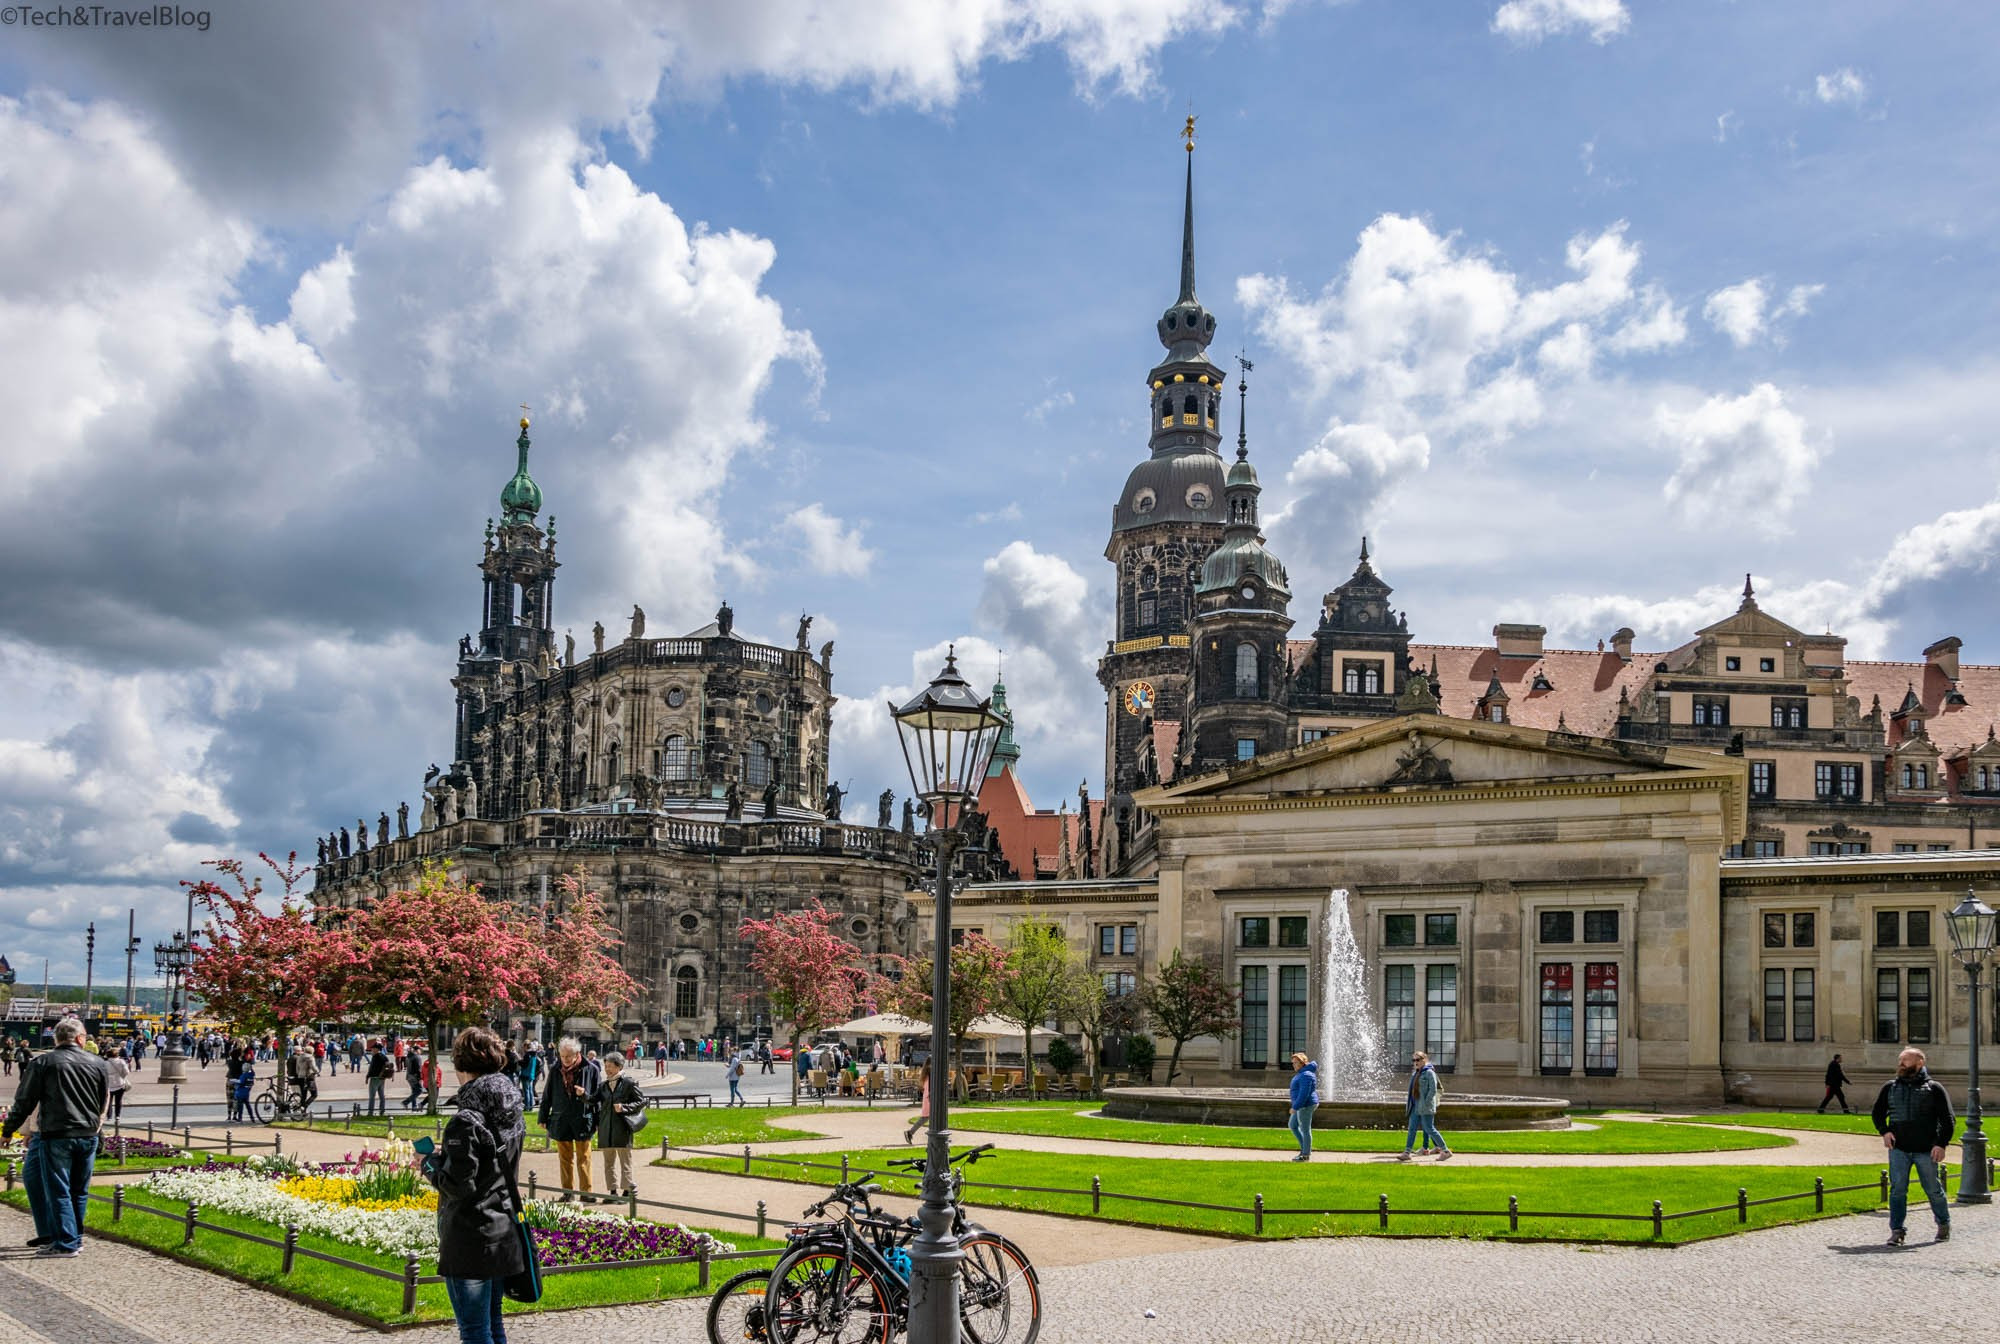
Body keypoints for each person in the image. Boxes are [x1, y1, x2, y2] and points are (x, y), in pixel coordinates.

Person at [419, 1027, 526, 1344]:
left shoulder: (465, 1119)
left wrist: (428, 1164)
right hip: (503, 1229)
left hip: (471, 1235)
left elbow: (457, 1186)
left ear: (461, 1066)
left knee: (475, 1331)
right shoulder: (511, 1109)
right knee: (493, 1325)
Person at [3, 1016, 111, 1257]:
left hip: (57, 1133)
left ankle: (66, 1242)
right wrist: (96, 1126)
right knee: (79, 1190)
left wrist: (8, 1130)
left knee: (59, 1189)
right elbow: (103, 1101)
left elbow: (24, 1100)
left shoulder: (44, 1062)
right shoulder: (98, 1063)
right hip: (87, 1133)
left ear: (56, 1038)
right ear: (80, 1038)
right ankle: (74, 1237)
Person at [1872, 1046, 1954, 1246]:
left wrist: (1941, 1144)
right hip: (1899, 1149)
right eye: (1900, 1060)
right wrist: (1885, 1131)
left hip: (1926, 1149)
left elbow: (1948, 1119)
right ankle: (1897, 1231)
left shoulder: (1935, 1088)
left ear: (1920, 1063)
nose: (1901, 1064)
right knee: (1898, 1190)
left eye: (1905, 1060)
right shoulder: (1890, 1087)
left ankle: (1943, 1223)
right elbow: (1877, 1113)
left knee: (1933, 1189)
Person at [538, 1036, 601, 1200]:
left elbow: (598, 1097)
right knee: (565, 1159)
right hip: (561, 1118)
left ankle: (586, 1193)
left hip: (582, 1118)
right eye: (562, 1056)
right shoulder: (555, 1069)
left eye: (568, 1056)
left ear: (577, 1054)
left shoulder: (591, 1069)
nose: (565, 1060)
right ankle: (568, 1193)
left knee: (584, 1157)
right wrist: (542, 1117)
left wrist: (597, 1118)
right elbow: (547, 1095)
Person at [593, 1052, 645, 1200]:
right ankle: (612, 1192)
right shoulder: (603, 1085)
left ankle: (627, 1190)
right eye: (606, 1066)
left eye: (610, 1066)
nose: (607, 1069)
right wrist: (582, 1094)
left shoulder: (628, 1083)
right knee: (608, 1163)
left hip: (622, 1128)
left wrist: (624, 1108)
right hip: (606, 1128)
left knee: (625, 1162)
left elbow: (641, 1101)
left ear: (619, 1067)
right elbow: (592, 1100)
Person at [1399, 1050, 1452, 1161]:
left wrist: (1427, 1103)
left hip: (1425, 1106)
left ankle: (1445, 1151)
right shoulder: (1416, 1073)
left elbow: (1433, 1090)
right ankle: (1407, 1152)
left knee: (1429, 1128)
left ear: (1424, 1060)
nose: (1415, 1062)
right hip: (1415, 1105)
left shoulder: (1429, 1072)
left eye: (1418, 1060)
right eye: (1413, 1060)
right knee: (1412, 1128)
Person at [1286, 1052, 1318, 1161]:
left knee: (1305, 1129)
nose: (1294, 1065)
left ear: (1302, 1063)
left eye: (1296, 1063)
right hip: (1300, 1105)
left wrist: (1295, 1107)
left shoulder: (1306, 1074)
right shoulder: (1302, 1073)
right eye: (1293, 1063)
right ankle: (1304, 1148)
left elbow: (1304, 1093)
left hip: (1305, 1105)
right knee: (1292, 1125)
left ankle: (1305, 1155)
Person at [903, 1066, 931, 1146]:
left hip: (927, 1097)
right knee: (928, 1118)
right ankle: (910, 1132)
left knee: (927, 1118)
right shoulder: (930, 1076)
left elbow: (923, 1087)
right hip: (929, 1098)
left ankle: (911, 1132)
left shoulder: (926, 1075)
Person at [365, 1040, 393, 1117]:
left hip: (374, 1078)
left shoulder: (375, 1057)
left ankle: (370, 1112)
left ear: (377, 1049)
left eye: (373, 1048)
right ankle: (382, 1110)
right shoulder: (384, 1057)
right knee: (382, 1095)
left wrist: (367, 1076)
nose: (372, 1050)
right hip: (382, 1078)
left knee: (372, 1096)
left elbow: (372, 1069)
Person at [104, 1047, 130, 1123]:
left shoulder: (105, 1063)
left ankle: (109, 1116)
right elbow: (127, 1072)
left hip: (108, 1084)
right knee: (118, 1101)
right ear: (117, 1054)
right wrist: (122, 1076)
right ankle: (117, 1116)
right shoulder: (121, 1061)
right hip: (119, 1083)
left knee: (108, 1101)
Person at [231, 1055, 256, 1123]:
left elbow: (241, 1082)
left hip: (240, 1092)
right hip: (247, 1092)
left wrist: (233, 1080)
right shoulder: (251, 1075)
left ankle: (240, 1118)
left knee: (240, 1106)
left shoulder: (244, 1075)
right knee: (248, 1106)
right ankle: (252, 1118)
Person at [404, 1046, 428, 1110]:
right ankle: (406, 1102)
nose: (421, 1052)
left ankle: (414, 1106)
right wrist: (420, 1078)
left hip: (409, 1076)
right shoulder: (417, 1057)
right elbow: (419, 1069)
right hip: (415, 1076)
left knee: (414, 1092)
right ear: (417, 1050)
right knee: (419, 1090)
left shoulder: (409, 1056)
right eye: (420, 1050)